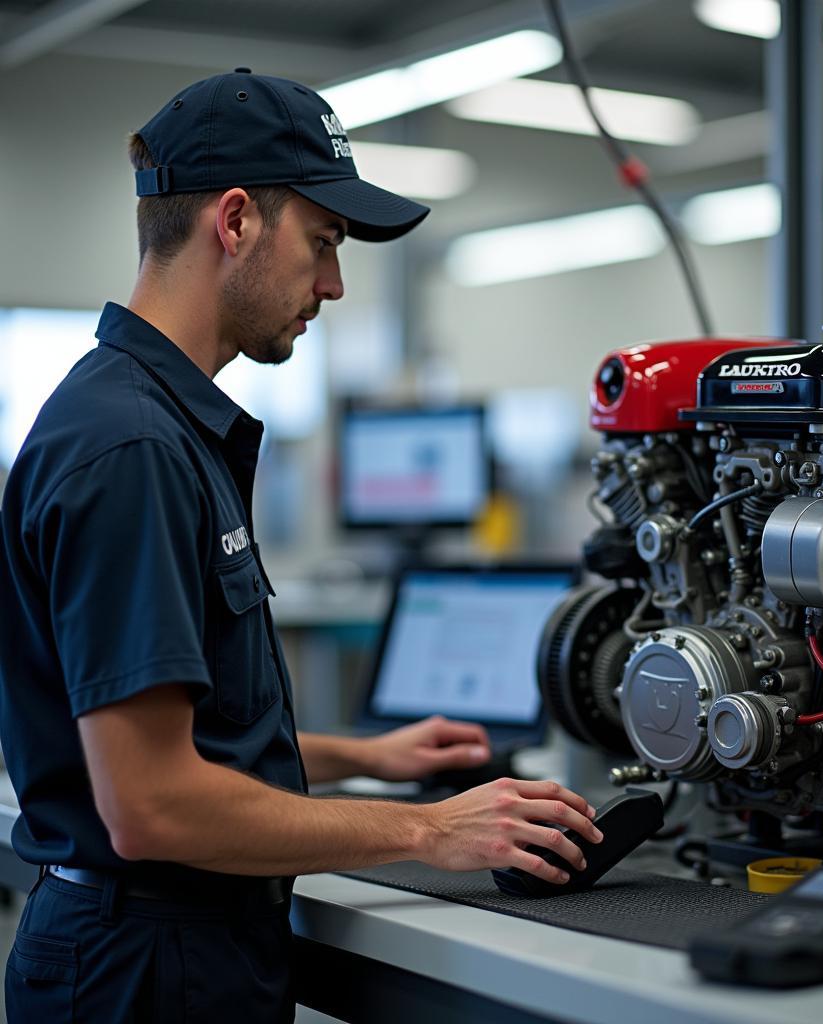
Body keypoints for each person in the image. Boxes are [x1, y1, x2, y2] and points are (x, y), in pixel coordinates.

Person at [0, 69, 601, 1023]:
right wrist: (430, 828)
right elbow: (151, 803)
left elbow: (184, 736)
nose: (334, 283)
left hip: (176, 944)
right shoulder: (131, 448)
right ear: (234, 221)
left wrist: (367, 756)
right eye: (323, 242)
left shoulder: (153, 423)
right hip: (148, 970)